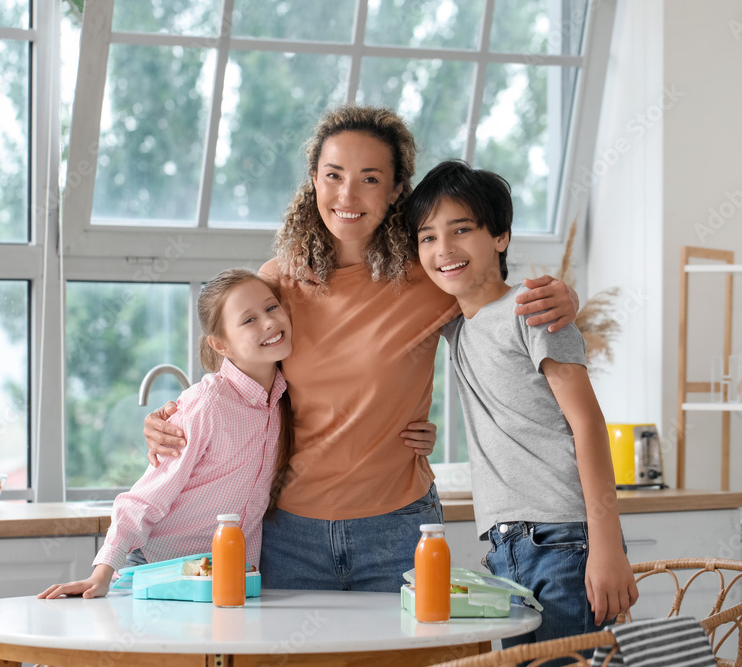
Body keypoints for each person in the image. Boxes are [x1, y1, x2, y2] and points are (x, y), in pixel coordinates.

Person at [142, 105, 580, 593]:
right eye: (333, 175)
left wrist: (561, 295)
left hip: (400, 529)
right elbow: (235, 390)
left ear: (396, 192)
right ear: (313, 180)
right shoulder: (277, 282)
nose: (347, 195)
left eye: (370, 179)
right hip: (289, 532)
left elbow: (495, 298)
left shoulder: (429, 276)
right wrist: (171, 421)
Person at [405, 159, 637, 652]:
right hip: (507, 548)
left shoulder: (532, 312)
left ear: (501, 237)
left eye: (461, 229)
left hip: (564, 539)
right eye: (427, 237)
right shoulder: (458, 326)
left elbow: (589, 425)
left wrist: (607, 545)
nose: (443, 248)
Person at [39, 269, 294, 599]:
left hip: (225, 576)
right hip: (159, 569)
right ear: (221, 344)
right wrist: (101, 574)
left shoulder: (282, 399)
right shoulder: (207, 405)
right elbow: (144, 498)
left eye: (272, 308)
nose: (269, 322)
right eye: (249, 320)